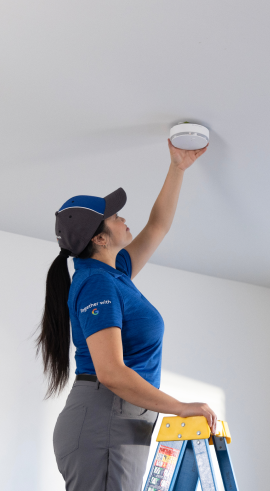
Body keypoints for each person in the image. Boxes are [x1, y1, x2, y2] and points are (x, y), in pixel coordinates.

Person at [36, 140, 216, 491]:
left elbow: (158, 226)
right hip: (104, 419)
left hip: (118, 420)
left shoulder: (114, 271)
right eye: (114, 216)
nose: (122, 217)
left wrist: (177, 167)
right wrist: (179, 407)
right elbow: (112, 372)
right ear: (100, 238)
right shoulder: (96, 285)